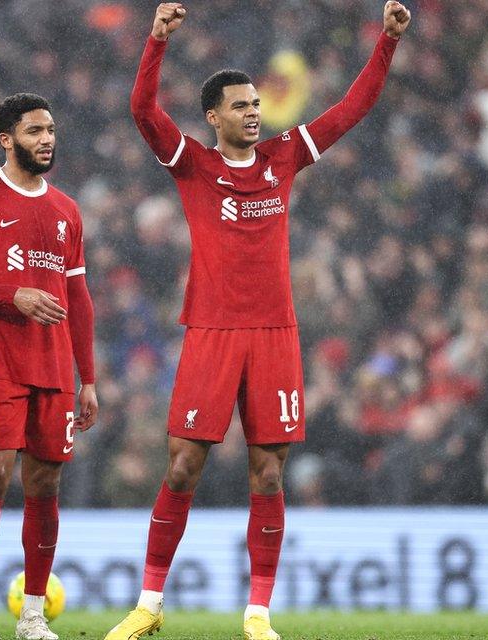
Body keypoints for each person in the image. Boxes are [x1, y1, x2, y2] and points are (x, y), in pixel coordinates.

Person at [106, 3, 410, 639]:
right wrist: (156, 40)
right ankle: (149, 604)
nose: (252, 110)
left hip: (275, 334)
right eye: (239, 104)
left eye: (255, 103)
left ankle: (257, 615)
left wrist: (385, 40)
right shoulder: (191, 162)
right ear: (214, 115)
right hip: (211, 332)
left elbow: (352, 109)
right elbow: (141, 110)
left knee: (268, 472)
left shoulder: (284, 157)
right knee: (183, 465)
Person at [0, 93, 97, 640]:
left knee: (45, 486)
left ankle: (33, 615)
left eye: (51, 129)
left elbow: (78, 300)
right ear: (7, 139)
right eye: (35, 131)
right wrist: (16, 296)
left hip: (55, 369)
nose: (47, 139)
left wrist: (90, 379)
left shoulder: (67, 210)